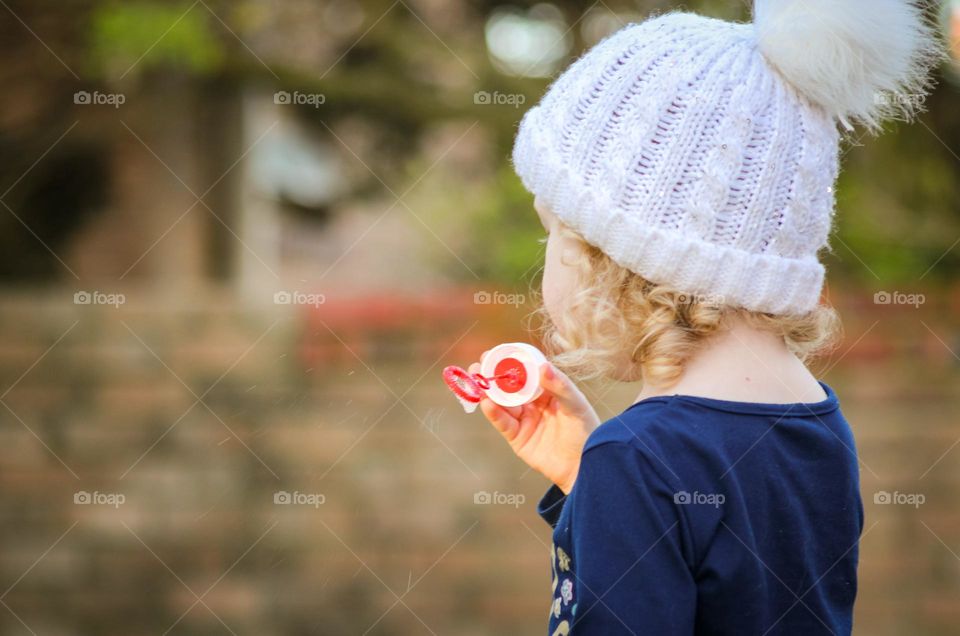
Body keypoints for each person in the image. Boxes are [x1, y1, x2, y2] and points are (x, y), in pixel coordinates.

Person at [470, 0, 943, 633]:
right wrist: (590, 484)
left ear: (608, 257)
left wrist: (618, 477)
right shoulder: (820, 427)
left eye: (551, 233)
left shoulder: (637, 460)